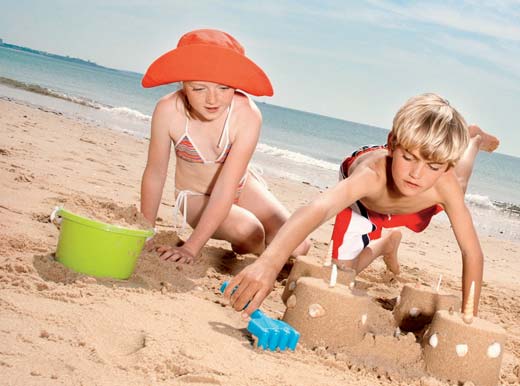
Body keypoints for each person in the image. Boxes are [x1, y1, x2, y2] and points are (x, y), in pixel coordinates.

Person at [225, 93, 499, 317]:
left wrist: (469, 316)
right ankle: (384, 243)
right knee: (340, 276)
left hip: (416, 203)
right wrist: (269, 264)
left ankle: (471, 139)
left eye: (434, 165)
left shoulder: (442, 181)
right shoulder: (372, 176)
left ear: (444, 166)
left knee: (458, 185)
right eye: (409, 157)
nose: (416, 173)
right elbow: (316, 210)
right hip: (365, 204)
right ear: (392, 144)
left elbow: (471, 252)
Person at [140, 29, 309, 263]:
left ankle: (258, 244)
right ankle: (258, 251)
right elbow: (155, 173)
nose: (212, 99)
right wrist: (148, 232)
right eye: (199, 88)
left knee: (299, 245)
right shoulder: (168, 110)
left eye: (223, 88)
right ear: (183, 83)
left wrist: (191, 248)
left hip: (239, 186)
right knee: (250, 232)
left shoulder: (247, 114)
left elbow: (227, 186)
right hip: (196, 195)